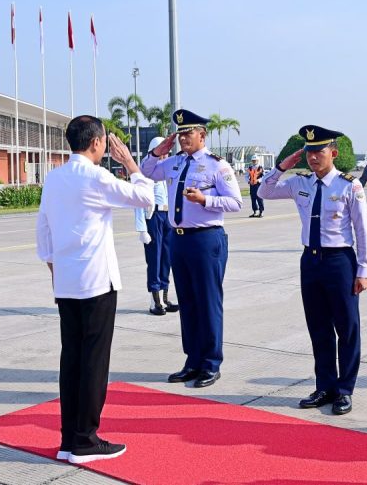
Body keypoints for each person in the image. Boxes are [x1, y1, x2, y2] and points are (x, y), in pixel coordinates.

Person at [37, 116, 154, 464]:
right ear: (97, 143)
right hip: (97, 283)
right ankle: (85, 440)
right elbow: (145, 197)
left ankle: (68, 438)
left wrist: (57, 270)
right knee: (93, 363)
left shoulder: (55, 178)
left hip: (67, 283)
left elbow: (43, 231)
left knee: (71, 359)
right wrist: (130, 162)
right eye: (105, 141)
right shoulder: (96, 176)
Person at [257, 125, 367, 416]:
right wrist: (283, 165)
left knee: (346, 329)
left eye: (319, 151)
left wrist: (363, 269)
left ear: (332, 153)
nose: (313, 158)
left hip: (340, 262)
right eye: (308, 152)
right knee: (318, 328)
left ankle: (344, 390)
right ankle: (325, 386)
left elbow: (362, 230)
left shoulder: (349, 186)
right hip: (311, 261)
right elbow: (263, 190)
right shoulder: (300, 183)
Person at [140, 109, 243, 388]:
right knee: (187, 301)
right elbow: (145, 171)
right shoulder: (172, 162)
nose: (184, 138)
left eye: (189, 133)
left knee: (208, 302)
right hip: (179, 239)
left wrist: (205, 200)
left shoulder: (217, 166)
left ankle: (211, 363)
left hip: (206, 239)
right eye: (181, 133)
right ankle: (192, 361)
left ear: (202, 135)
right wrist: (156, 151)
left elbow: (235, 202)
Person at [135, 136, 179, 316]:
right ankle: (155, 301)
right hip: (153, 217)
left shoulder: (168, 169)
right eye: (162, 152)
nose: (165, 155)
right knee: (155, 258)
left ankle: (165, 297)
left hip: (167, 217)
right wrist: (141, 228)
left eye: (167, 152)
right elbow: (138, 201)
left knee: (167, 258)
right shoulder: (145, 172)